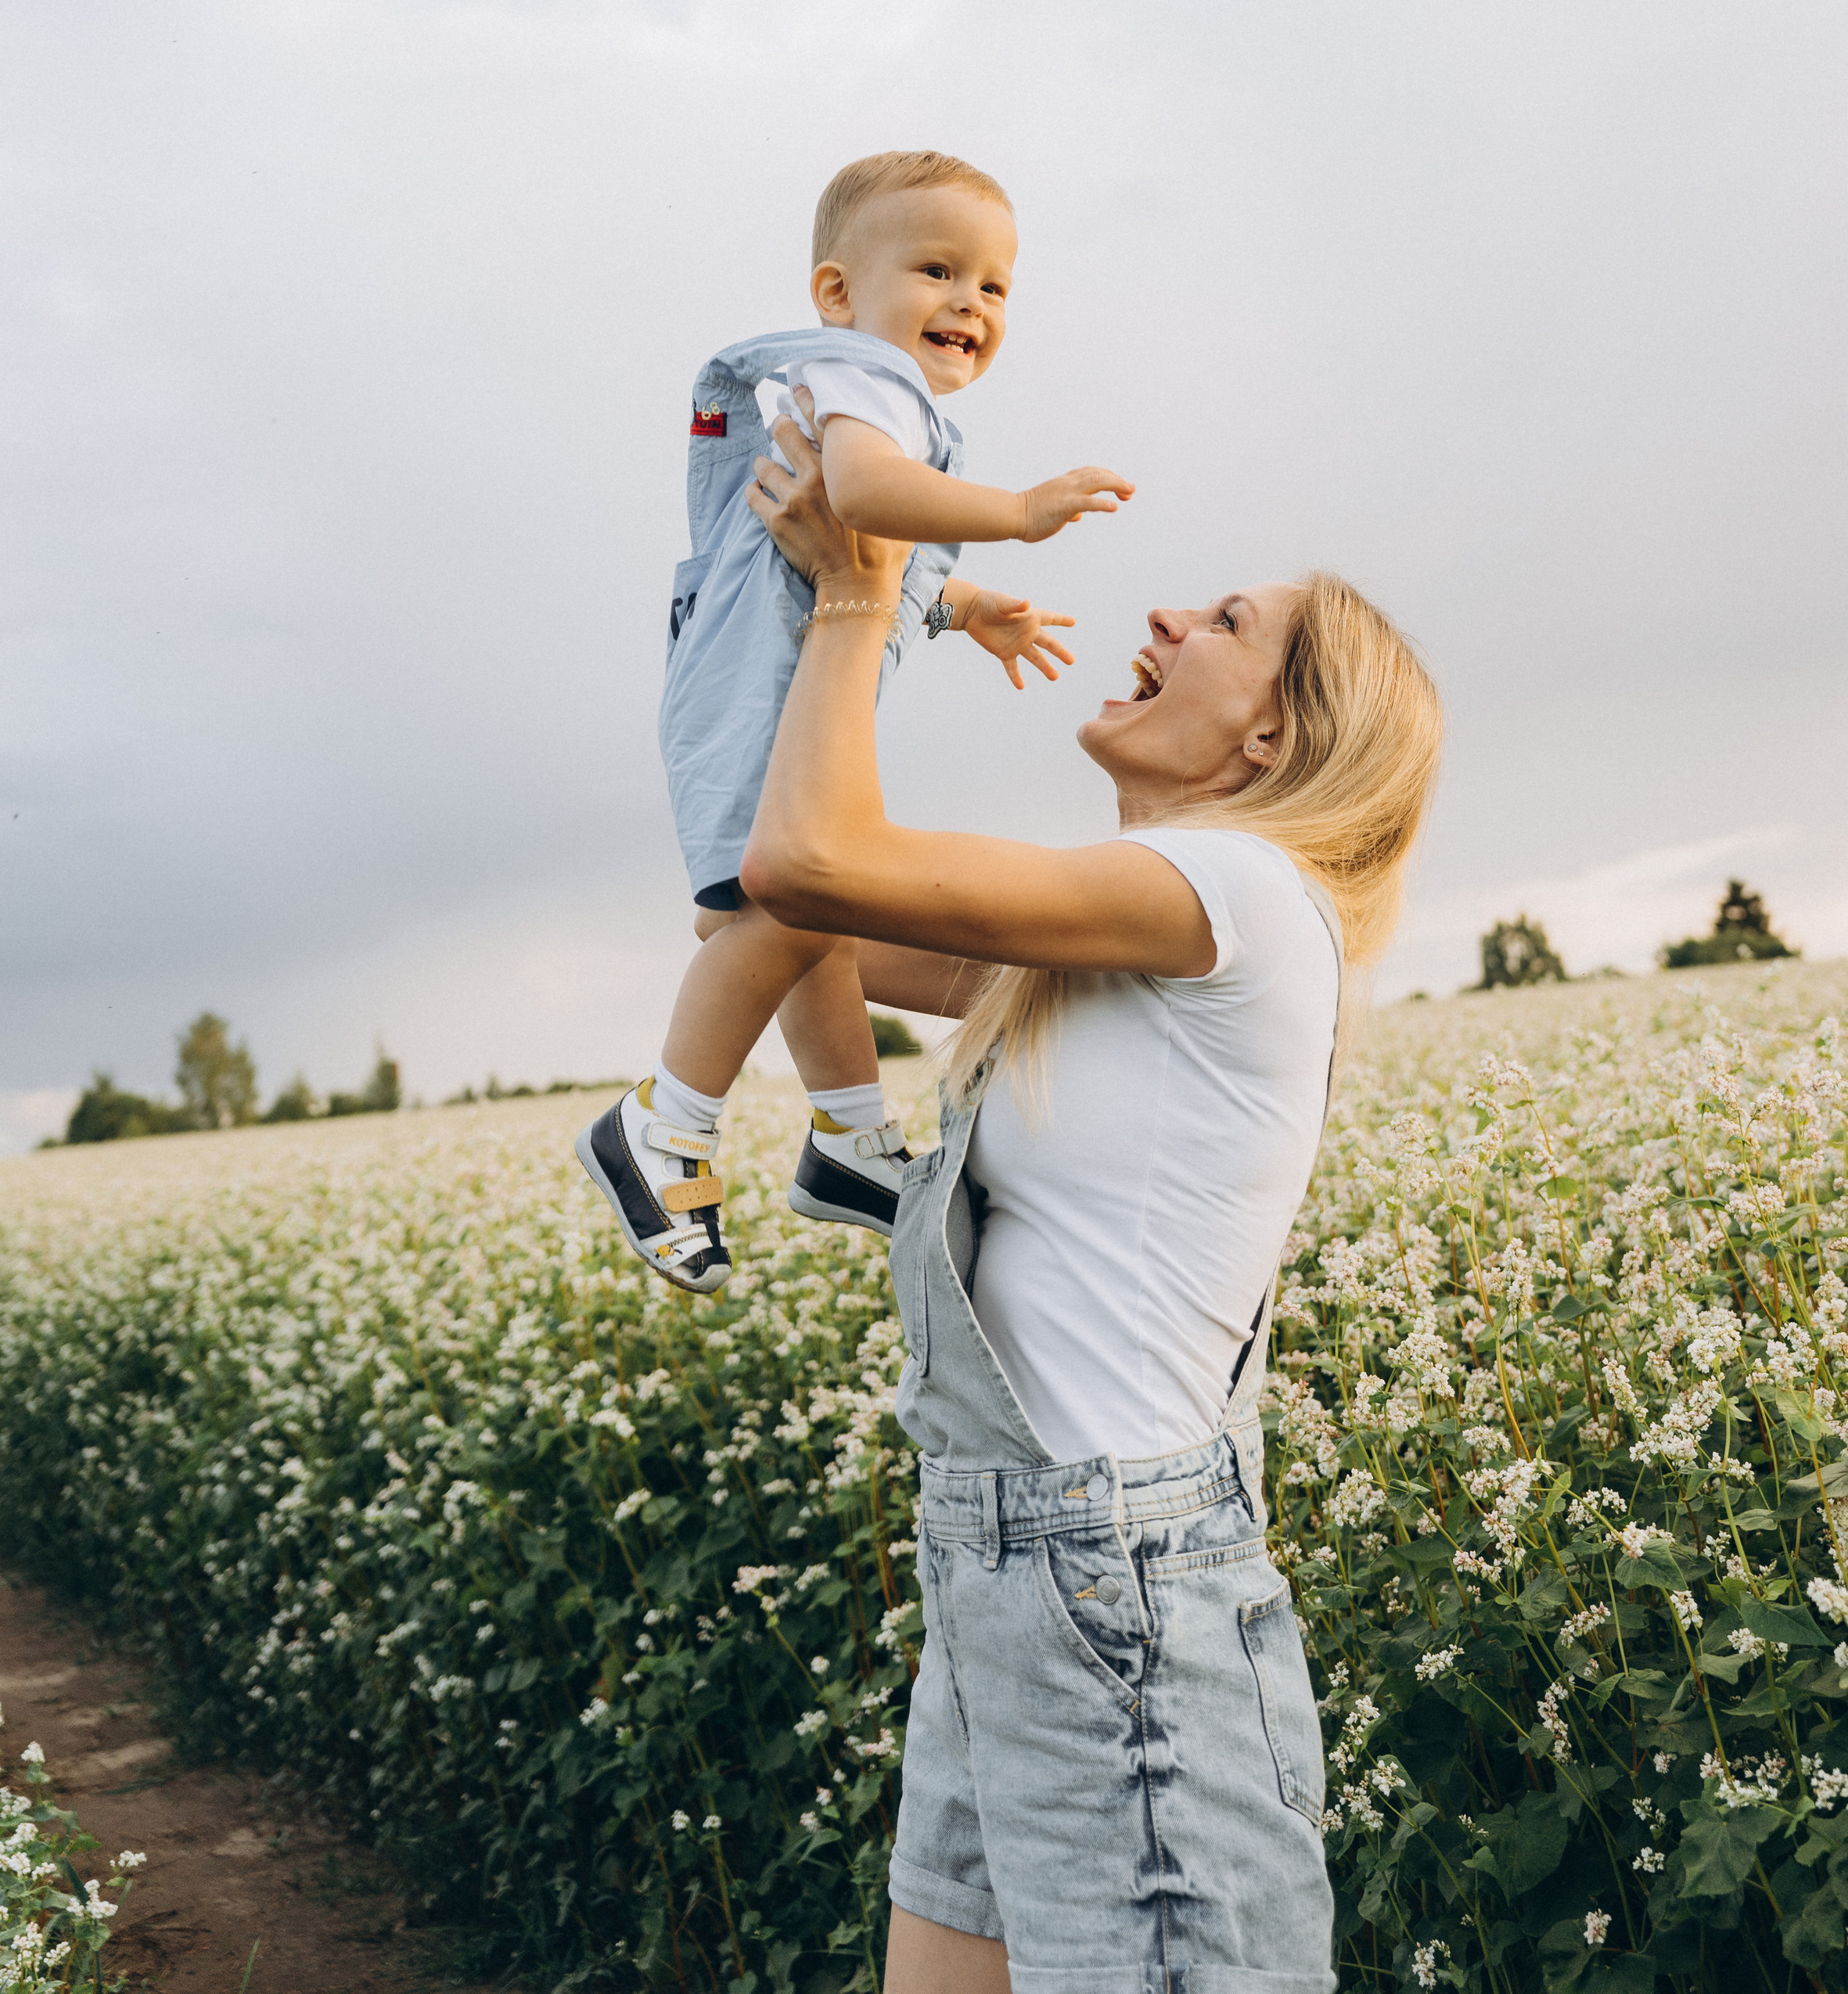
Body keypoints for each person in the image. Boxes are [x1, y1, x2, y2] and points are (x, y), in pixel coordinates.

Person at [735, 408, 1442, 1993]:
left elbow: (801, 869)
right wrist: (794, 601)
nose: (1164, 619)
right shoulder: (1104, 946)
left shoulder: (1239, 893)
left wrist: (868, 589)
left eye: (1226, 624)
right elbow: (767, 912)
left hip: (1116, 1593)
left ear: (1269, 741)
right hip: (1005, 1565)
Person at [576, 149, 1134, 1295]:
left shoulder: (880, 399)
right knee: (785, 896)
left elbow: (885, 549)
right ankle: (664, 1124)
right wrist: (1021, 516)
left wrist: (969, 603)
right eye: (939, 269)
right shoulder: (868, 380)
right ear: (840, 293)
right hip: (751, 688)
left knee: (808, 909)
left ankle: (849, 1140)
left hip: (757, 679)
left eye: (995, 286)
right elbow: (870, 498)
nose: (971, 303)